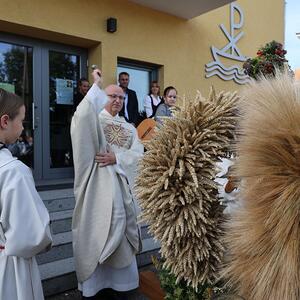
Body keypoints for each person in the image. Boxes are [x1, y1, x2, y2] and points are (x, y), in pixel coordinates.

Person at [71, 68, 143, 299]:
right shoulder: (93, 121)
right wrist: (96, 86)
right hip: (97, 193)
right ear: (103, 97)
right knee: (97, 236)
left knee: (121, 249)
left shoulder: (130, 128)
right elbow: (81, 119)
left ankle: (120, 288)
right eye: (113, 96)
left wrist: (118, 158)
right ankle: (96, 286)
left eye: (122, 97)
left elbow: (140, 155)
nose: (118, 101)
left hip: (123, 194)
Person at [0, 88, 52, 300]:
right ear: (5, 121)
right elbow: (34, 236)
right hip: (9, 268)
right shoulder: (13, 170)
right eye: (21, 120)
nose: (23, 127)